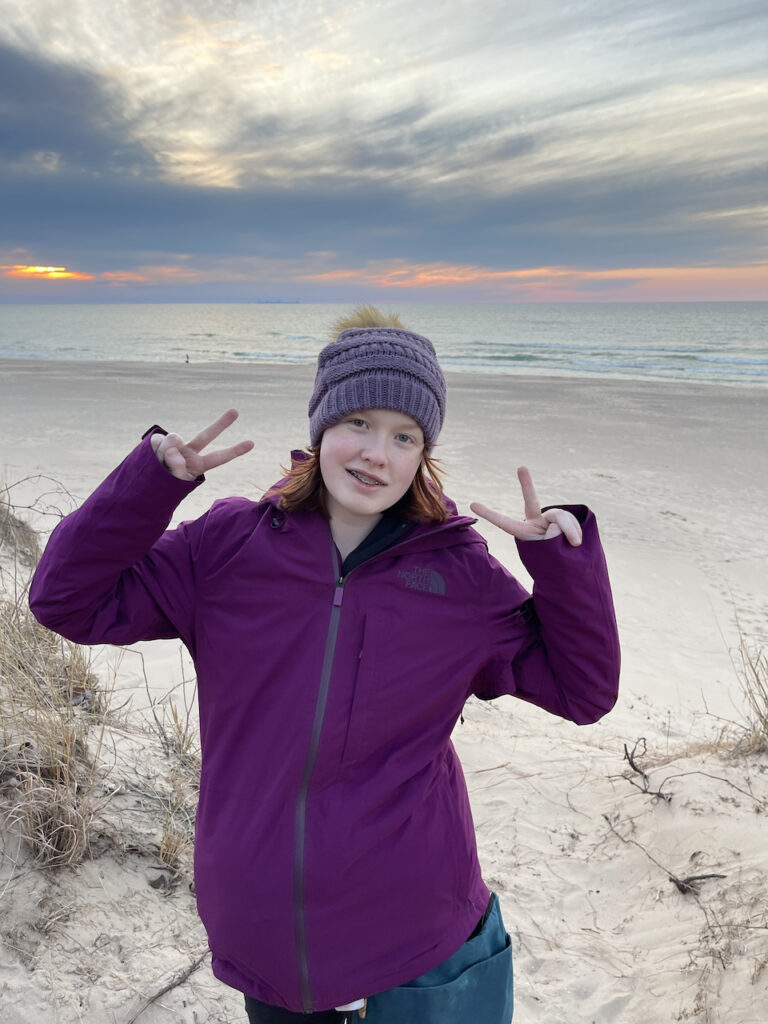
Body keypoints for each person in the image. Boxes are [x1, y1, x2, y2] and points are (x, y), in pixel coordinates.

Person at [29, 307, 620, 1023]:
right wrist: (150, 485)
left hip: (418, 916)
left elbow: (583, 690)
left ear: (422, 454)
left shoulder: (457, 573)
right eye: (359, 424)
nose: (377, 453)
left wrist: (563, 564)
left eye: (404, 436)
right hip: (265, 919)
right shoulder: (228, 547)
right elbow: (65, 599)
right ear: (321, 427)